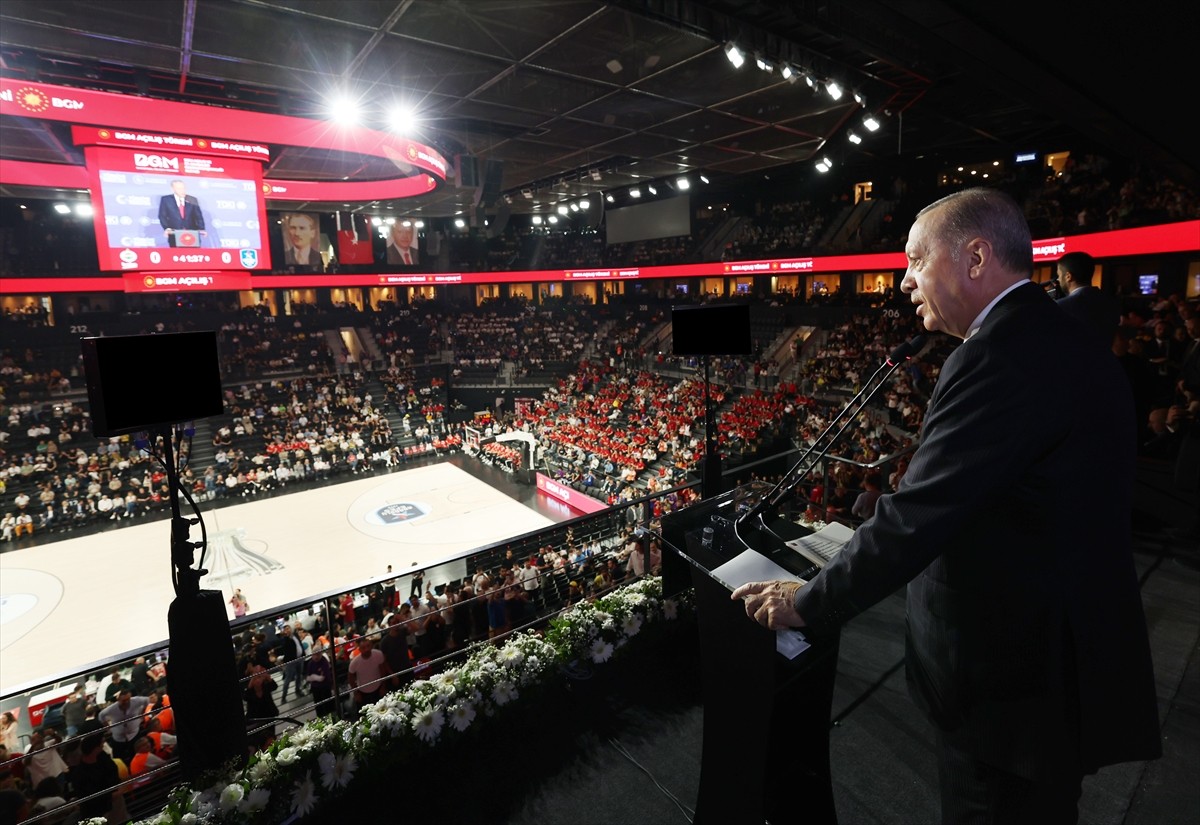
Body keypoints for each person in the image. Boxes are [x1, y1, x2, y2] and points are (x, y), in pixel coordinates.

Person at [732, 187, 1161, 823]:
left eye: (914, 261)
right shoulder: (1057, 335)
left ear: (976, 257)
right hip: (1051, 661)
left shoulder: (998, 356)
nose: (904, 282)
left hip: (1009, 685)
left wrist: (807, 603)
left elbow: (916, 516)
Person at [1055, 250, 1121, 349]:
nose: (1058, 280)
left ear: (1068, 276)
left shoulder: (1061, 306)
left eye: (1059, 275)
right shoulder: (1110, 302)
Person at [157, 179, 205, 247]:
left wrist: (201, 228)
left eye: (183, 188)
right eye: (179, 188)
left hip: (192, 234)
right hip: (174, 233)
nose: (182, 190)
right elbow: (162, 216)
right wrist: (167, 228)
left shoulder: (192, 199)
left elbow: (198, 216)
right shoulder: (166, 200)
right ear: (173, 189)